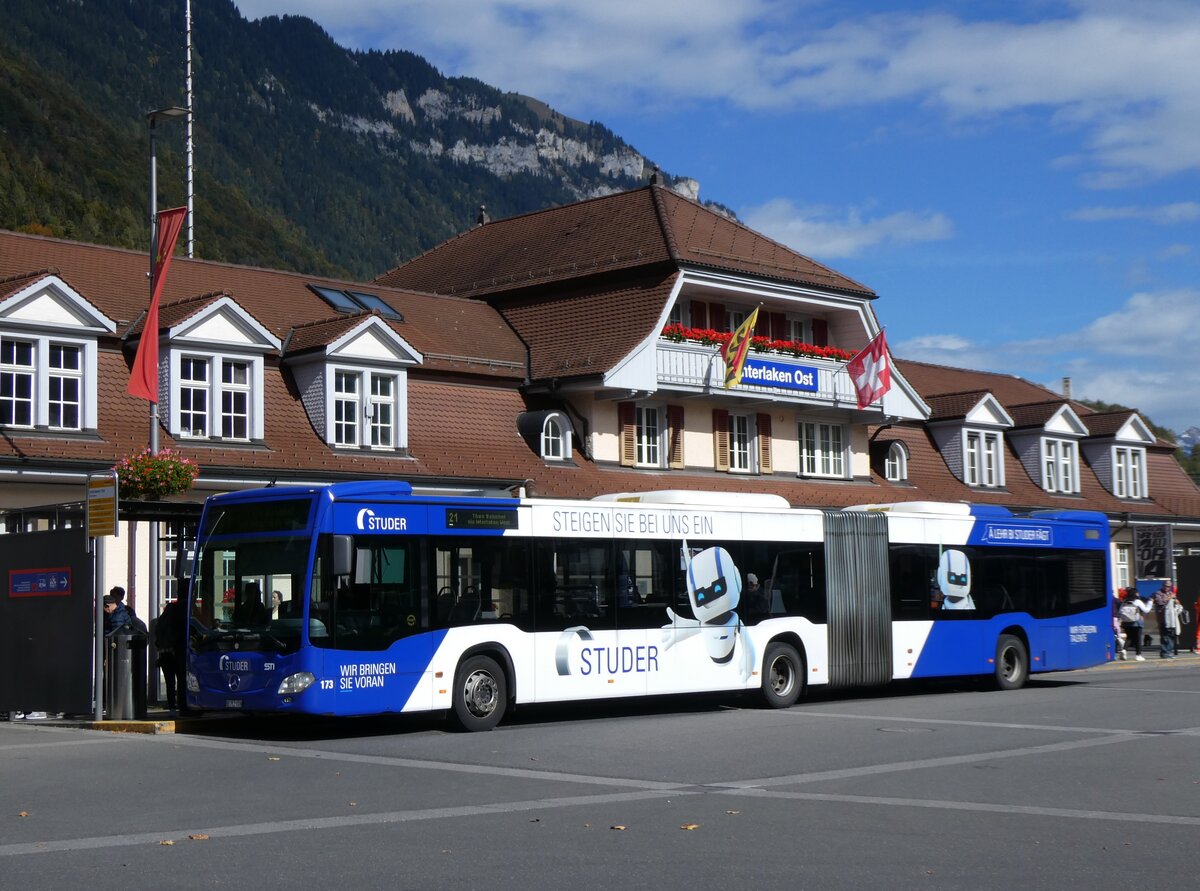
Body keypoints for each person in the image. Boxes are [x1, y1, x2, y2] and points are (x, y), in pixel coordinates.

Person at [154, 598, 190, 713]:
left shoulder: (161, 623)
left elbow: (157, 641)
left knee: (170, 683)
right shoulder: (178, 624)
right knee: (181, 680)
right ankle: (182, 703)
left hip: (165, 656)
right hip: (176, 655)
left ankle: (171, 705)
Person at [1118, 588, 1151, 661]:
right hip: (1136, 622)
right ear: (1136, 594)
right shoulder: (1137, 601)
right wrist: (1150, 603)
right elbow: (1146, 610)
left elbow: (1120, 612)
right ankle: (1138, 655)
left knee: (1129, 637)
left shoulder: (1124, 602)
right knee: (1138, 639)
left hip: (1126, 622)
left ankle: (1124, 650)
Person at [1160, 588, 1184, 660]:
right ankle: (1166, 652)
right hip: (1169, 623)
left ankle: (1167, 652)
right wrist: (1176, 603)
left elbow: (1178, 610)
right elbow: (1175, 611)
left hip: (1171, 622)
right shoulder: (1168, 603)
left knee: (1170, 638)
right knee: (1168, 638)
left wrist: (1177, 603)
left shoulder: (1172, 602)